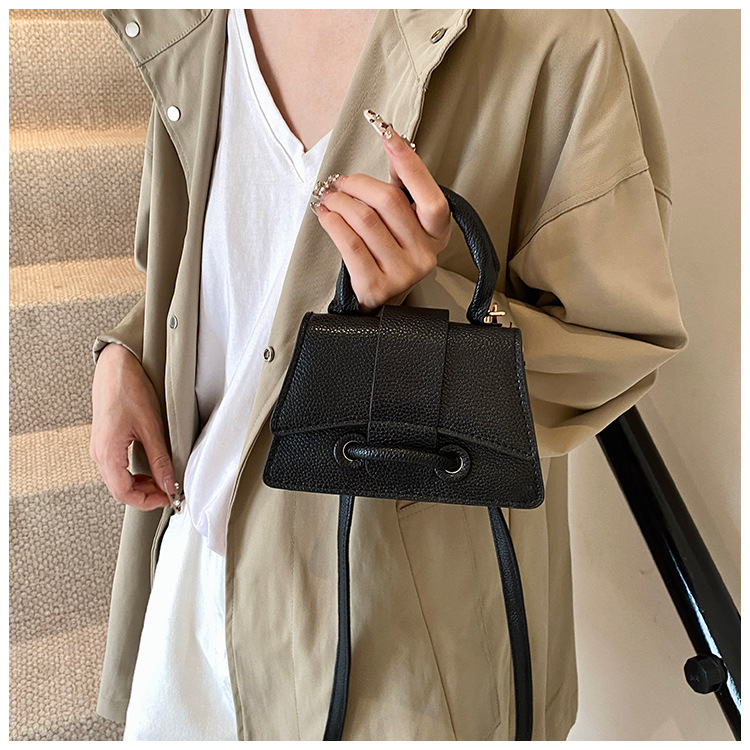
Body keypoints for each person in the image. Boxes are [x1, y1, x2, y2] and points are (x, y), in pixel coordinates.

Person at [89, 9, 688, 741]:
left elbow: (613, 346)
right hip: (193, 569)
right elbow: (215, 263)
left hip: (392, 635)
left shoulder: (554, 34)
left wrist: (423, 311)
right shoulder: (196, 22)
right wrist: (126, 352)